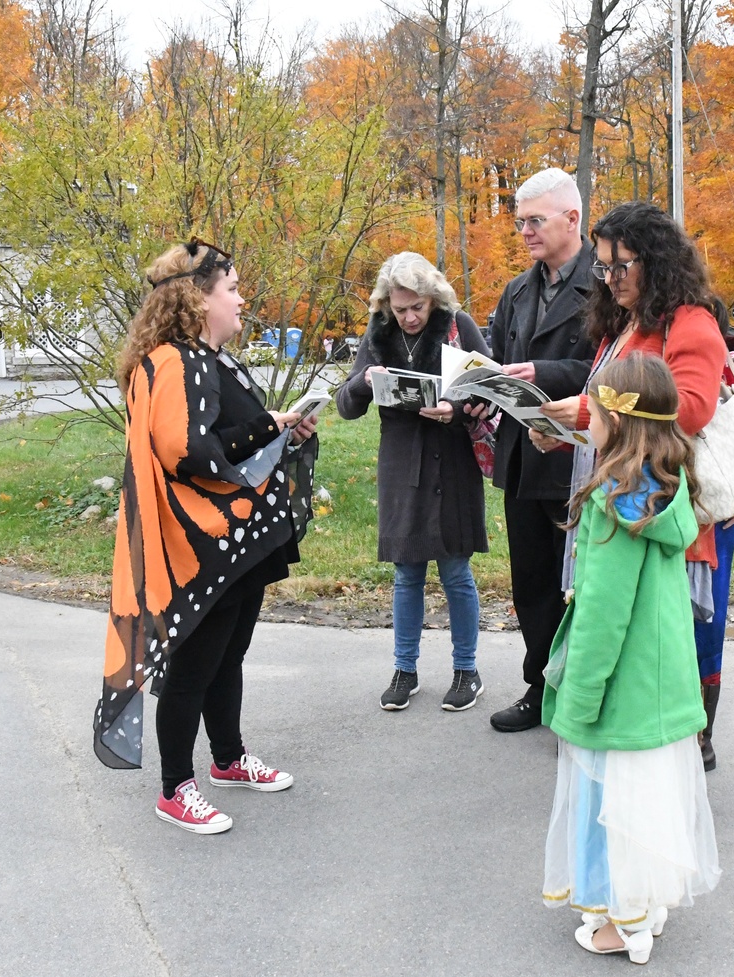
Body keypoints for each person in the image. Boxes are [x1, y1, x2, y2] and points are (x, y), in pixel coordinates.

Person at [94, 237, 318, 834]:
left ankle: (228, 759)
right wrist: (263, 430)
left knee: (228, 655)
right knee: (195, 666)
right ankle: (175, 788)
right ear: (199, 299)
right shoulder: (174, 360)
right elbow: (186, 450)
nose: (242, 300)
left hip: (234, 540)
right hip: (201, 544)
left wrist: (281, 433)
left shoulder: (210, 358)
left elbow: (226, 434)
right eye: (233, 289)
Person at [540, 352, 721, 965]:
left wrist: (579, 695)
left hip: (618, 686)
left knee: (607, 803)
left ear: (616, 421)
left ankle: (622, 922)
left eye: (595, 406)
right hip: (659, 685)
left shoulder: (614, 505)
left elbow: (603, 614)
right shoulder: (664, 493)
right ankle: (649, 903)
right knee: (647, 798)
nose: (585, 415)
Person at [535, 201, 727, 768]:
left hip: (665, 501)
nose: (610, 278)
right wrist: (565, 430)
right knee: (615, 610)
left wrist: (583, 411)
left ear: (657, 261)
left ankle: (687, 739)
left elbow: (689, 410)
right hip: (622, 494)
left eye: (622, 266)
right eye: (603, 267)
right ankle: (621, 721)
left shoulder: (690, 322)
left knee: (670, 623)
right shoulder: (629, 324)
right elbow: (614, 419)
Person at [335, 252, 489, 712]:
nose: (409, 317)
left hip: (453, 461)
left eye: (417, 307)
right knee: (406, 572)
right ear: (386, 305)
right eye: (400, 309)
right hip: (402, 464)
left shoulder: (458, 324)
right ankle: (405, 668)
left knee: (456, 571)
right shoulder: (378, 333)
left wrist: (456, 410)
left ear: (433, 298)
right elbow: (346, 404)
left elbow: (489, 385)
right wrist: (365, 380)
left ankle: (467, 670)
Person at [485, 169, 596, 733]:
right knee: (529, 580)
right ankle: (539, 687)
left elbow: (616, 372)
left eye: (536, 220)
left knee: (577, 584)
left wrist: (547, 372)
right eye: (520, 221)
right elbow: (499, 355)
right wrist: (479, 392)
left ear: (572, 219)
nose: (525, 231)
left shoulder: (605, 284)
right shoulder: (517, 290)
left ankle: (580, 695)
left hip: (577, 455)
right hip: (524, 456)